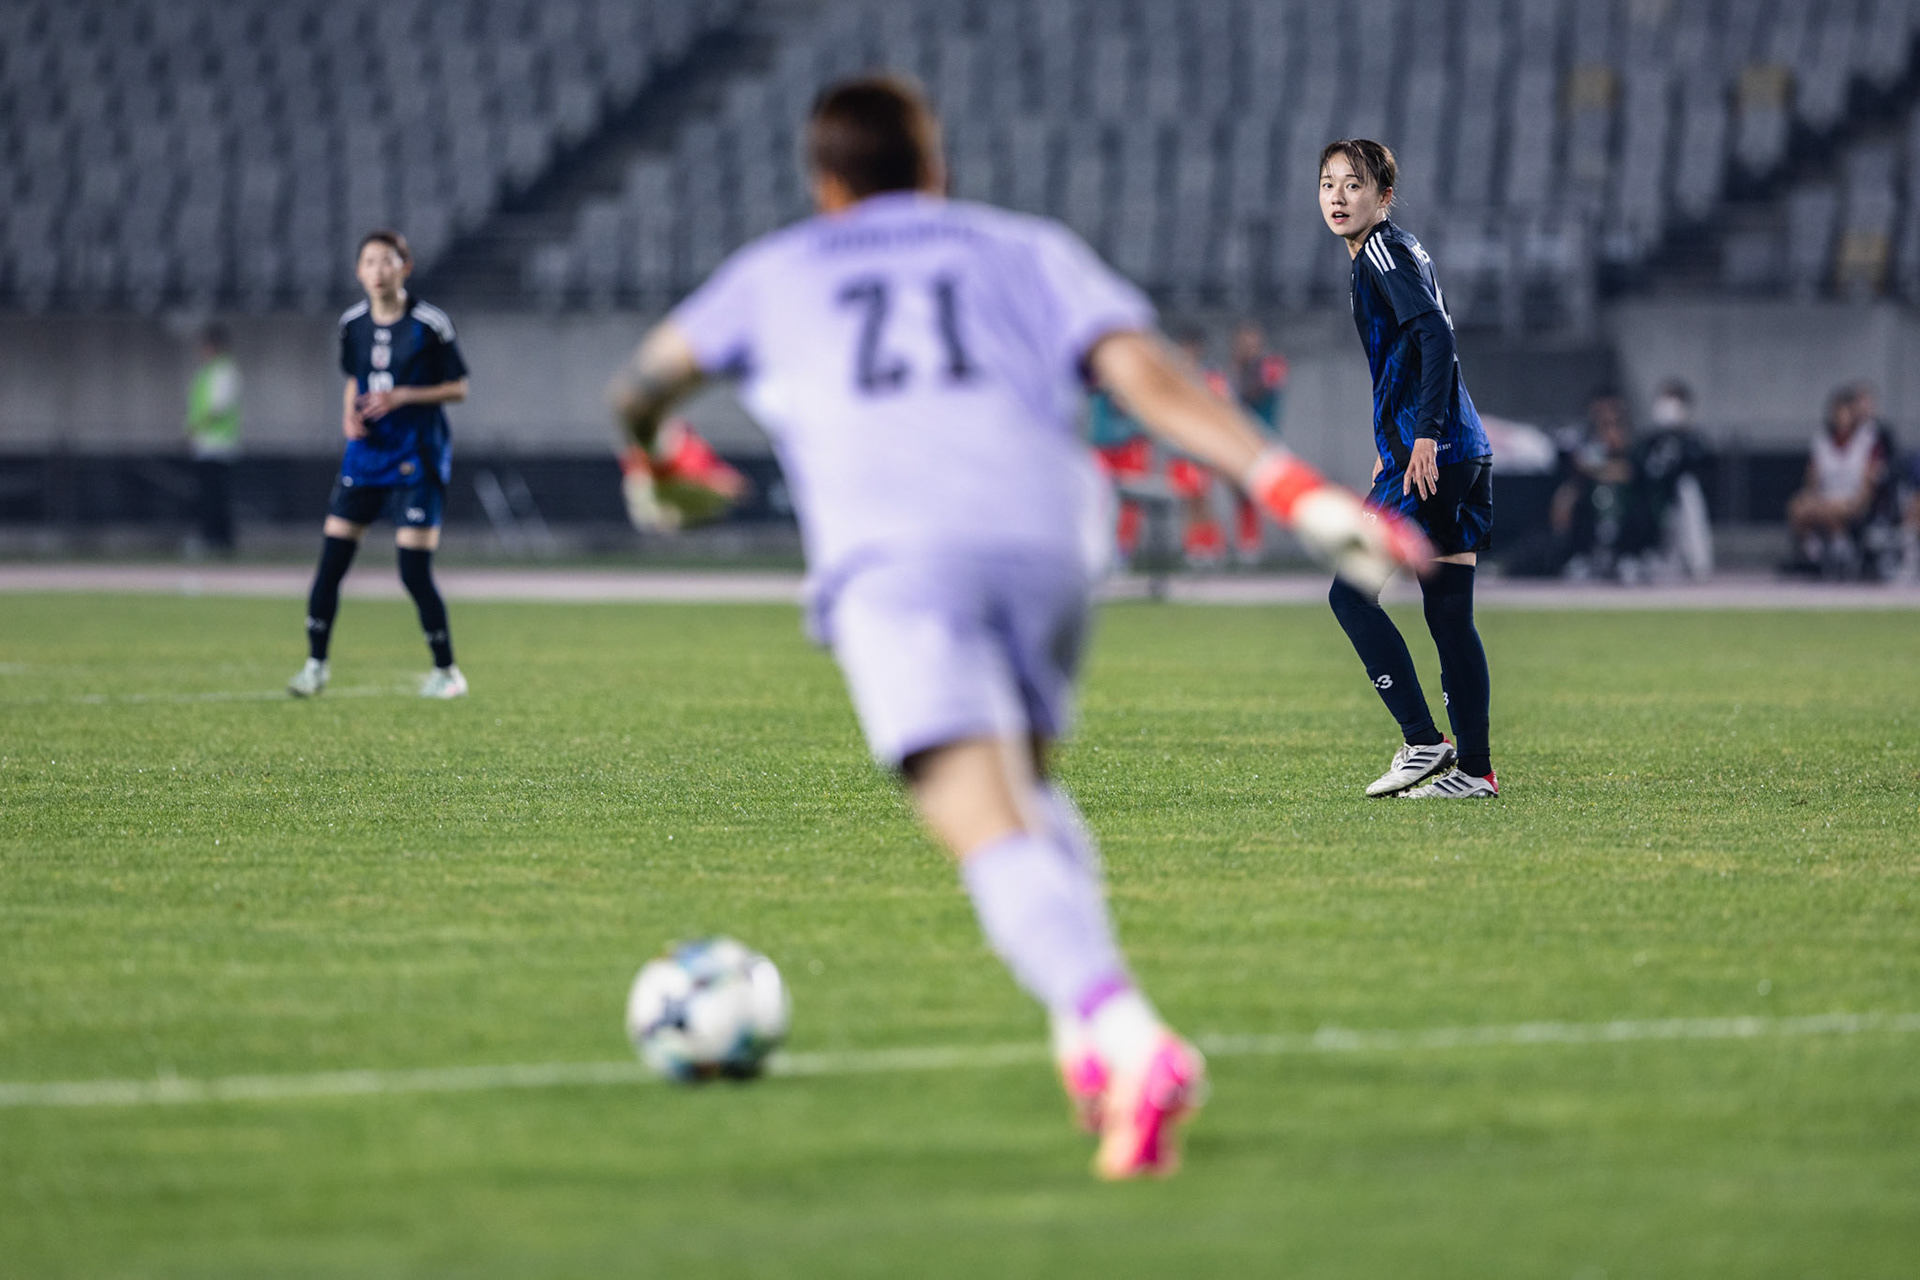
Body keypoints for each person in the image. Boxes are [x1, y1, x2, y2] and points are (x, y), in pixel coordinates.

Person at [607, 77, 1430, 1180]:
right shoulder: (1019, 246)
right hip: (1047, 538)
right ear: (934, 166)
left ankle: (1131, 1037)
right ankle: (1083, 1048)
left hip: (900, 555)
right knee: (1030, 797)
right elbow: (1143, 371)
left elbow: (641, 384)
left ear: (825, 182)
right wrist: (1294, 491)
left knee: (981, 817)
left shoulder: (780, 268)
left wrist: (657, 464)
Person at [1318, 139, 1498, 799]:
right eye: (1329, 184)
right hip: (1462, 452)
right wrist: (1400, 437)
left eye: (1354, 185)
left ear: (1384, 196)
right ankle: (1475, 773)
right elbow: (1418, 347)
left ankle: (1423, 740)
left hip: (1432, 455)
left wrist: (1420, 436)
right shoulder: (1401, 248)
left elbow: (1437, 336)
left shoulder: (1381, 252)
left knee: (1348, 593)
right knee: (1451, 617)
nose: (1339, 197)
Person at [288, 230, 471, 699]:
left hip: (416, 457)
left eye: (387, 261)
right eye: (369, 262)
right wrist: (349, 416)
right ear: (359, 271)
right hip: (366, 457)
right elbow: (355, 378)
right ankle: (314, 665)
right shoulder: (352, 324)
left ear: (405, 268)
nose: (378, 270)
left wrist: (405, 395)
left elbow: (459, 387)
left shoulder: (429, 323)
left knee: (412, 571)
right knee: (330, 565)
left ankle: (447, 671)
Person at [1785, 384, 1893, 577]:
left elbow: (1869, 482)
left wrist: (1856, 501)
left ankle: (1836, 550)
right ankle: (1818, 551)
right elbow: (1812, 481)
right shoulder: (1822, 441)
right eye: (1837, 414)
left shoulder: (1867, 440)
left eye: (1845, 414)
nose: (1840, 419)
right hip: (1826, 500)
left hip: (1853, 500)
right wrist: (1812, 498)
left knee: (1833, 509)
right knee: (1797, 507)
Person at [1228, 321, 1288, 562]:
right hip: (1242, 438)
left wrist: (1244, 369)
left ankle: (1258, 545)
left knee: (1268, 493)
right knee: (1243, 493)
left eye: (1251, 341)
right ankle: (1247, 545)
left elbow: (1254, 392)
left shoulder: (1270, 365)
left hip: (1264, 439)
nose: (1248, 346)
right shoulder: (1237, 368)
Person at [183, 321, 241, 557]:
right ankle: (215, 538)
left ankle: (217, 539)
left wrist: (195, 429)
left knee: (215, 495)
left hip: (217, 443)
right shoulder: (208, 372)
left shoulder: (223, 371)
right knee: (209, 494)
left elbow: (218, 407)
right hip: (206, 443)